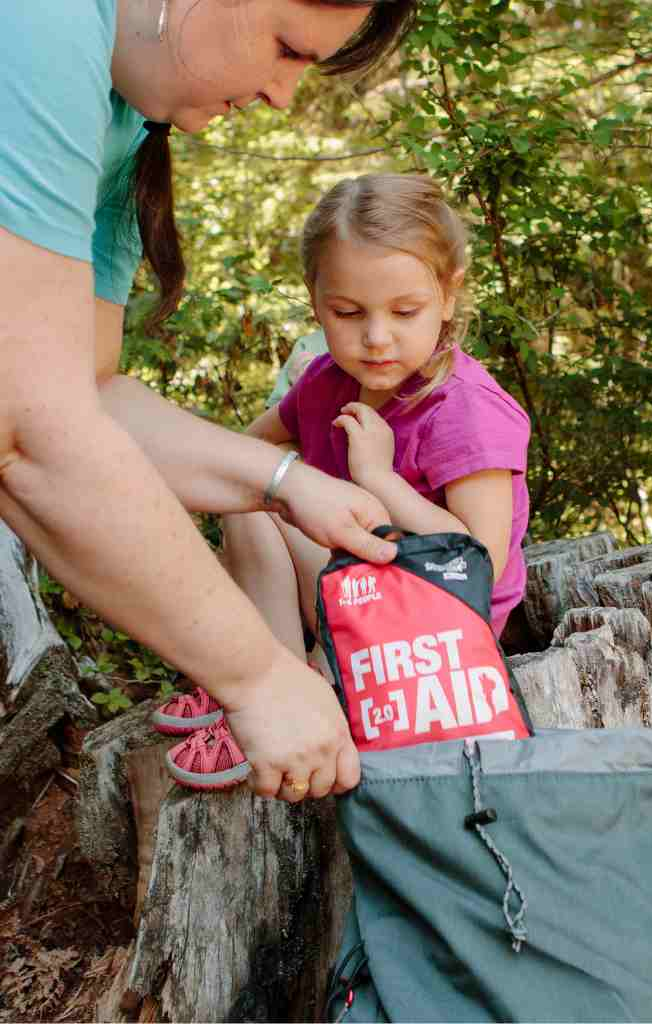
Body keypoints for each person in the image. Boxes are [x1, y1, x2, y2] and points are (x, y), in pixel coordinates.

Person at [0, 0, 418, 804]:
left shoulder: (124, 123)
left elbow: (84, 394)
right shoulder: (40, 25)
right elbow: (23, 428)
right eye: (287, 49)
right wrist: (258, 673)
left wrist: (287, 481)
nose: (284, 96)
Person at [155, 174, 531, 789]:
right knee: (254, 497)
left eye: (405, 312)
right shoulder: (327, 379)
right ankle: (270, 677)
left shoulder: (467, 411)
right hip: (349, 593)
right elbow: (245, 452)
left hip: (433, 629)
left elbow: (480, 559)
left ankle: (297, 698)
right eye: (348, 313)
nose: (377, 338)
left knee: (271, 498)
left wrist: (379, 478)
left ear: (449, 293)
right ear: (315, 299)